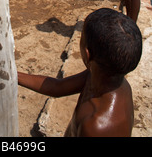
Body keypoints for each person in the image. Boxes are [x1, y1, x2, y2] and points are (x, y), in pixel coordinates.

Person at [18, 7, 142, 137]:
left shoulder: (96, 127)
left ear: (87, 55)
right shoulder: (104, 76)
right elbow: (57, 87)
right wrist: (15, 75)